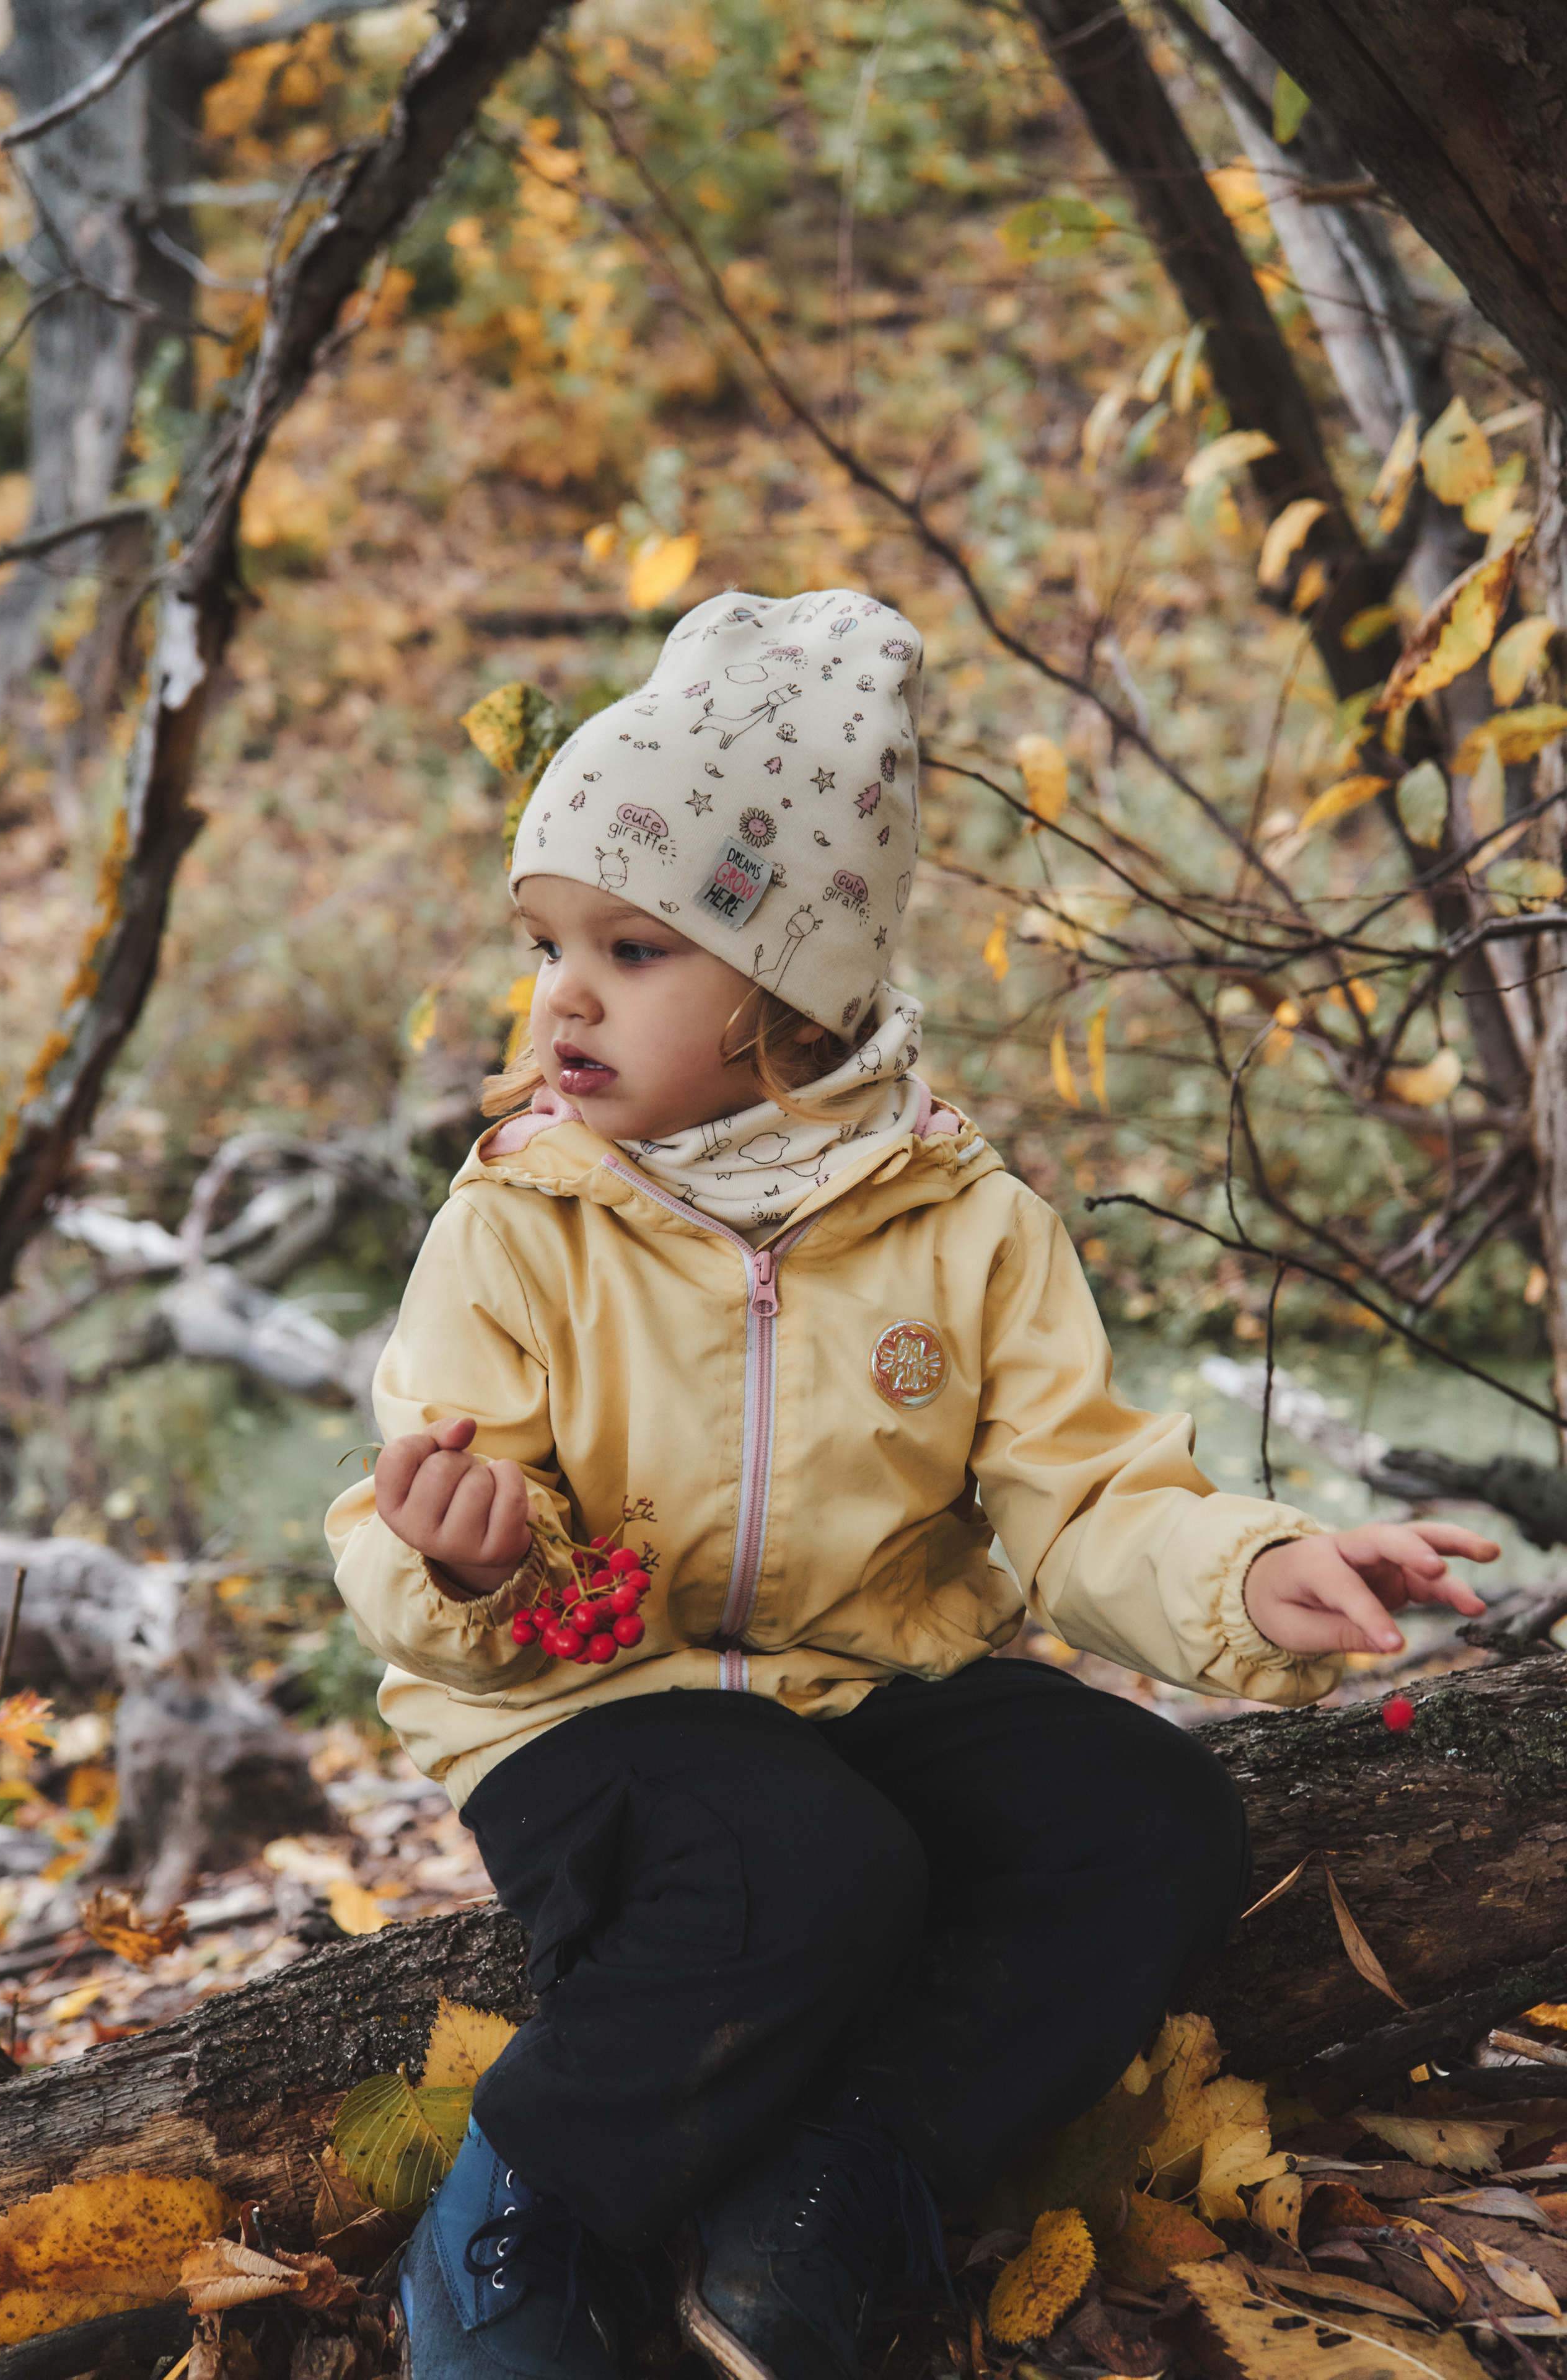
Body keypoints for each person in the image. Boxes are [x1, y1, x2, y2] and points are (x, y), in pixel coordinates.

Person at [326, 587, 1495, 2380]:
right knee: (804, 1861)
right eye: (547, 939)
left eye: (635, 951)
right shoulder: (517, 1224)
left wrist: (1251, 1574)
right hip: (593, 1714)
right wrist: (468, 1565)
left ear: (791, 981)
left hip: (864, 1690)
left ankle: (835, 2184)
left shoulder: (968, 1228)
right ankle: (523, 2203)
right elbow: (418, 1512)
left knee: (1147, 1809)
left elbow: (1085, 1497)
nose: (564, 992)